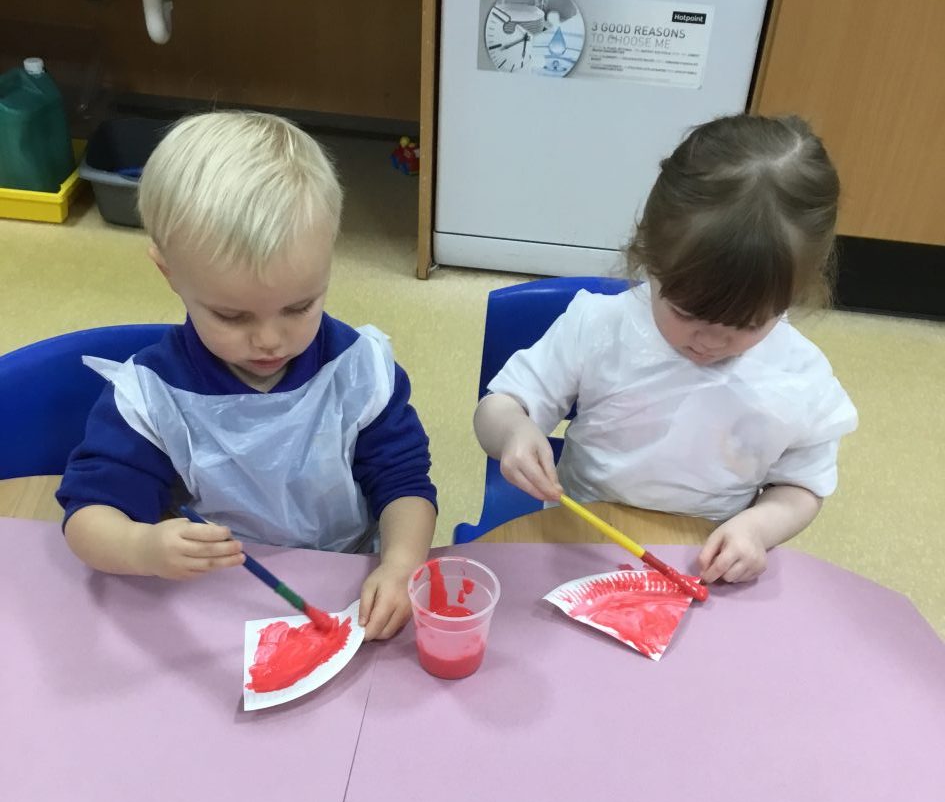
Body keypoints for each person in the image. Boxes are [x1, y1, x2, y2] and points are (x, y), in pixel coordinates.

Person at [57, 111, 437, 639]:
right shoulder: (153, 398)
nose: (269, 340)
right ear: (169, 273)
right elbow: (88, 517)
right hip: (219, 599)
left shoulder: (356, 370)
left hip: (349, 578)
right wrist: (142, 547)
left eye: (299, 306)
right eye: (232, 316)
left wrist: (400, 565)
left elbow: (405, 482)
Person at [474, 114, 858, 585]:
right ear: (649, 256)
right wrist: (513, 431)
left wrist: (758, 528)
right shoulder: (599, 327)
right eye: (686, 312)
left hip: (705, 557)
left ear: (793, 294)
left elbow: (801, 485)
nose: (710, 341)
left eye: (748, 324)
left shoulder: (800, 377)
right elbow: (498, 408)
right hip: (582, 533)